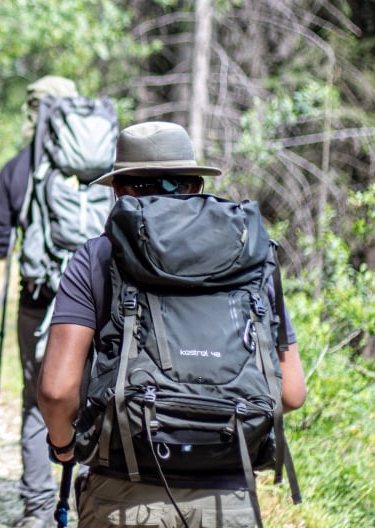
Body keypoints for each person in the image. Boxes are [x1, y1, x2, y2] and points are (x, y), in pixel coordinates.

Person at [38, 121, 307, 528]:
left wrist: (63, 446)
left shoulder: (96, 258)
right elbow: (290, 393)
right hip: (227, 496)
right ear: (195, 185)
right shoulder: (252, 256)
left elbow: (57, 391)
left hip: (124, 491)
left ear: (119, 190)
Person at [0, 74, 80, 527]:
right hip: (95, 305)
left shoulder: (15, 168)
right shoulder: (96, 170)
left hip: (38, 302)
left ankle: (40, 510)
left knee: (36, 400)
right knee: (94, 395)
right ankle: (87, 495)